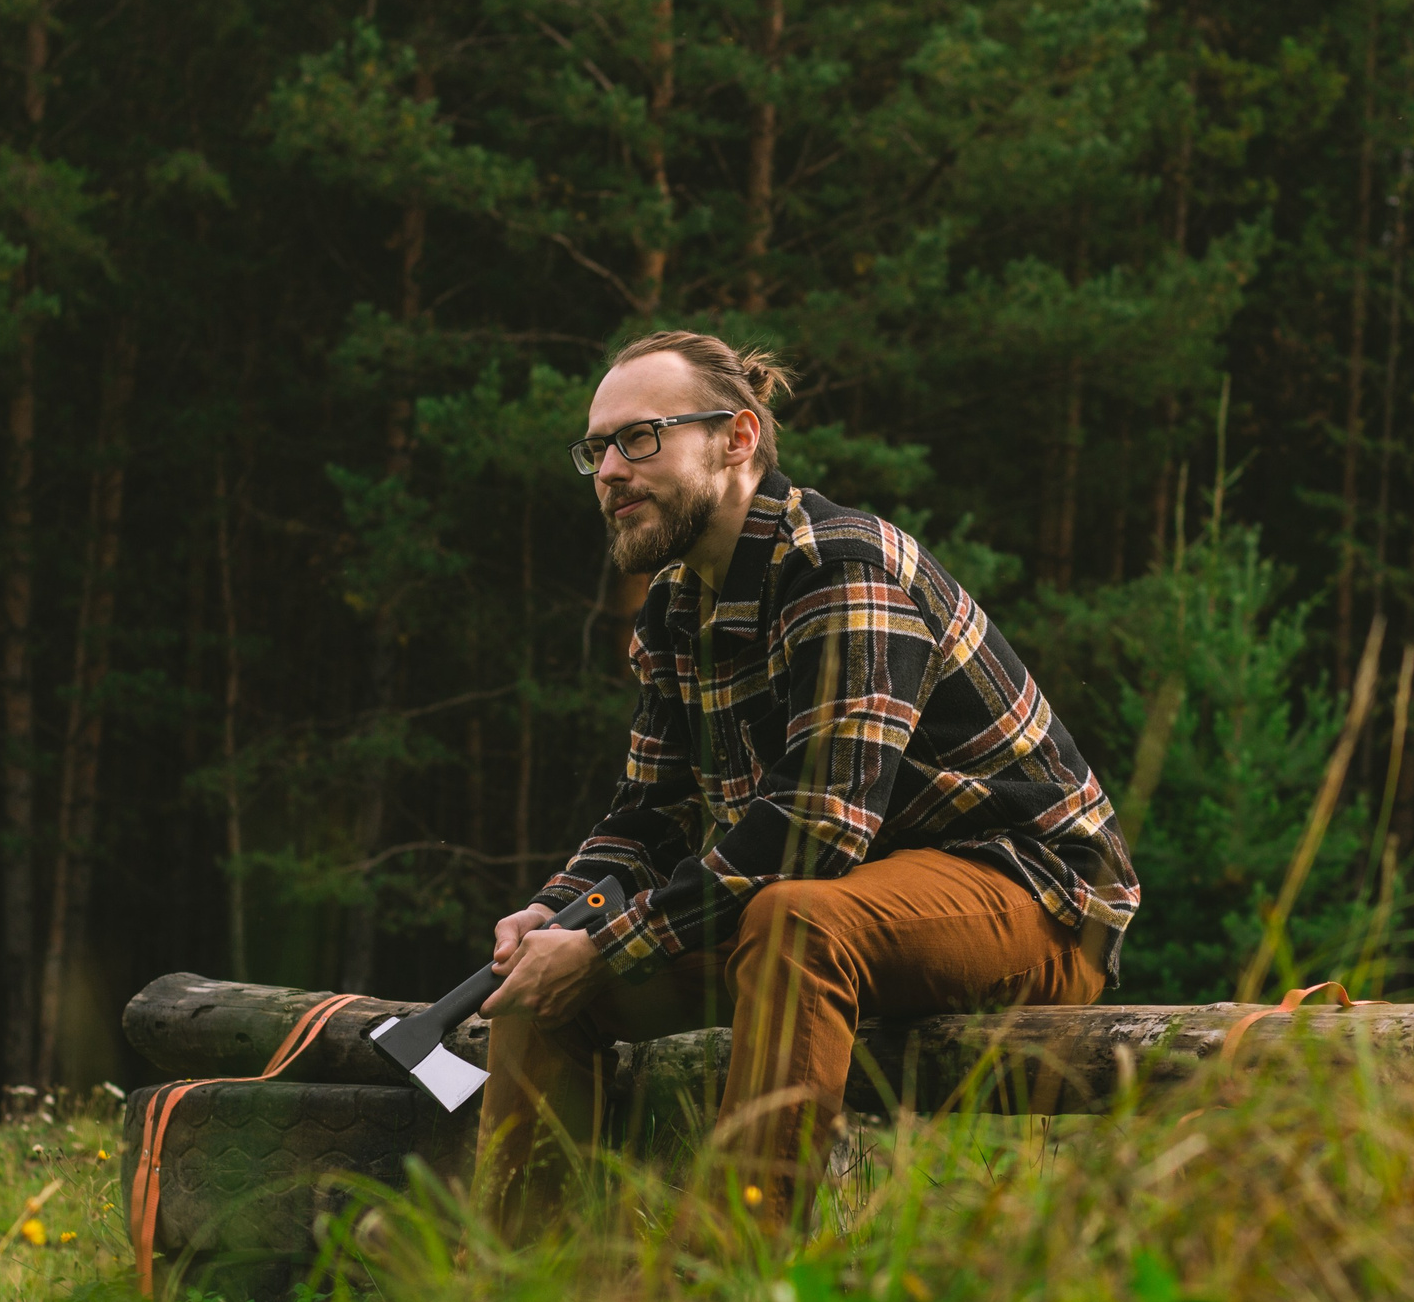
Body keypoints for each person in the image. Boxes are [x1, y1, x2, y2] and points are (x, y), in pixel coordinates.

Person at [476, 330, 1138, 1222]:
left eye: (639, 439)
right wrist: (560, 915)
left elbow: (815, 831)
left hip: (1035, 900)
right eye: (595, 449)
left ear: (739, 438)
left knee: (792, 915)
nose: (608, 472)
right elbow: (648, 817)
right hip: (857, 899)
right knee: (542, 986)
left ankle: (732, 1299)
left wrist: (605, 943)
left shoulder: (840, 567)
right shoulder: (675, 609)